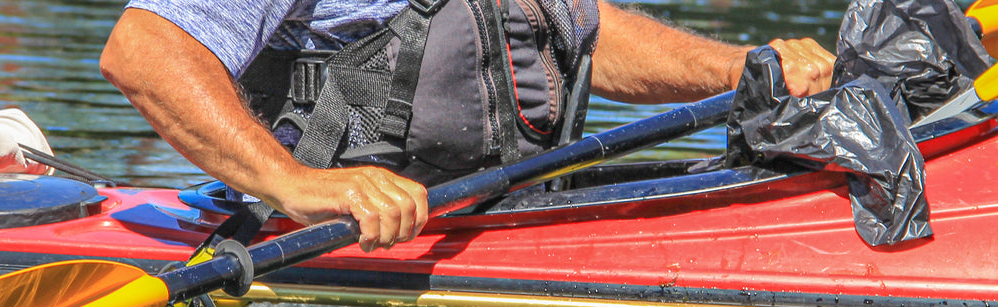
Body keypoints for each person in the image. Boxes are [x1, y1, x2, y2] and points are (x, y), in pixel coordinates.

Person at [100, 1, 835, 252]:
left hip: (492, 222)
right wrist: (294, 184)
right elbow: (143, 50)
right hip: (332, 244)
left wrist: (739, 65)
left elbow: (584, 32)